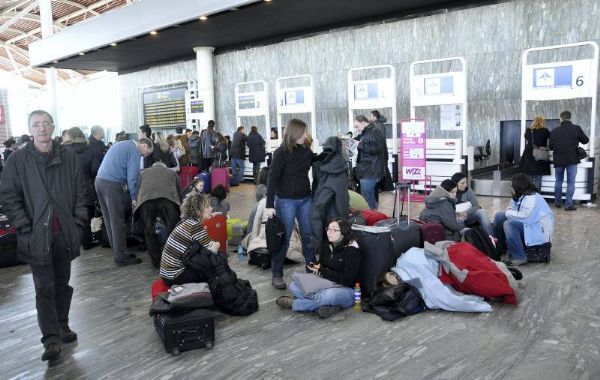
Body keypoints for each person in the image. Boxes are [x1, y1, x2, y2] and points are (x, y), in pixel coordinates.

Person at [0, 110, 87, 366]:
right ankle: (51, 339)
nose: (41, 129)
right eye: (36, 125)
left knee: (63, 284)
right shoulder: (18, 161)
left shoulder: (68, 157)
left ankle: (62, 325)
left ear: (52, 127)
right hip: (36, 236)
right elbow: (9, 196)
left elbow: (81, 192)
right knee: (44, 287)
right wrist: (24, 226)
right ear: (30, 129)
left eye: (45, 124)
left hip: (64, 235)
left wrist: (79, 222)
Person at [265, 118, 318, 290]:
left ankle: (312, 272)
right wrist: (269, 204)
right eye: (303, 132)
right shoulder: (281, 153)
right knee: (284, 238)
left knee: (308, 237)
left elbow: (316, 160)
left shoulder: (305, 150)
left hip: (305, 199)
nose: (306, 135)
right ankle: (277, 274)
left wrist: (333, 151)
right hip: (286, 201)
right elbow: (272, 180)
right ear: (295, 133)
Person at [275, 218, 360, 319]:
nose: (329, 232)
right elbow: (323, 265)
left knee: (328, 295)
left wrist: (323, 271)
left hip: (348, 290)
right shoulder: (327, 245)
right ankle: (325, 306)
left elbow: (348, 280)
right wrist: (316, 266)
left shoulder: (352, 251)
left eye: (334, 230)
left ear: (343, 233)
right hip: (327, 284)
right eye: (328, 229)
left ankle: (295, 303)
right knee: (294, 285)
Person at [95, 137, 153, 266]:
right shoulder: (135, 150)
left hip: (99, 181)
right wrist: (134, 197)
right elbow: (132, 177)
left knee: (109, 220)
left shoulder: (123, 144)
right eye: (147, 152)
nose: (145, 156)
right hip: (111, 184)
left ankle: (119, 252)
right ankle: (121, 257)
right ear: (143, 145)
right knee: (117, 221)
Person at [493, 174, 554, 266]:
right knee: (499, 216)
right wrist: (508, 212)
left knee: (509, 224)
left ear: (518, 187)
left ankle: (519, 257)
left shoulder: (532, 198)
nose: (510, 188)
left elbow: (525, 217)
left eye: (512, 186)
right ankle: (500, 248)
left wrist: (508, 213)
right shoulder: (519, 196)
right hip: (529, 224)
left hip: (537, 229)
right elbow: (511, 210)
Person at [159, 194, 219, 285]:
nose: (211, 209)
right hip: (175, 276)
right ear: (198, 212)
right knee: (213, 268)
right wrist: (217, 244)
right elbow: (212, 250)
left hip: (167, 274)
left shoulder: (186, 223)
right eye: (207, 206)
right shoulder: (195, 226)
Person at [135, 161, 182, 268]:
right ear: (164, 166)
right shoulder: (172, 173)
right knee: (171, 231)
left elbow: (138, 193)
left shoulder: (143, 173)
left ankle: (156, 262)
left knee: (149, 231)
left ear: (153, 166)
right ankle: (172, 259)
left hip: (146, 202)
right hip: (167, 200)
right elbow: (179, 194)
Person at [62, 127, 101, 250]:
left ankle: (73, 243)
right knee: (86, 216)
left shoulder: (62, 151)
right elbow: (95, 169)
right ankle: (87, 243)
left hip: (67, 189)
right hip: (86, 187)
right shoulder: (90, 151)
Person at [549, 110, 589, 210]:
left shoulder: (554, 131)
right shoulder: (576, 128)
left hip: (558, 159)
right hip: (572, 159)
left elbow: (550, 146)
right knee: (571, 182)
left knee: (558, 181)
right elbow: (585, 140)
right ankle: (568, 205)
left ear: (561, 118)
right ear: (570, 117)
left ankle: (557, 203)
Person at [353, 115, 386, 210]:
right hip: (368, 169)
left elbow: (376, 149)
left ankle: (371, 219)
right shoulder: (368, 132)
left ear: (363, 123)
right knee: (370, 197)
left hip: (370, 170)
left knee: (367, 198)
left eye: (357, 126)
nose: (357, 129)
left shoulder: (374, 132)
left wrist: (359, 144)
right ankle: (374, 217)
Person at [519, 116, 550, 190]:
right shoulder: (545, 131)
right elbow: (551, 138)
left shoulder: (529, 130)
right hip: (541, 156)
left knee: (529, 180)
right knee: (538, 180)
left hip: (529, 156)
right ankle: (537, 197)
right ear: (543, 122)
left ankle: (529, 197)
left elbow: (526, 137)